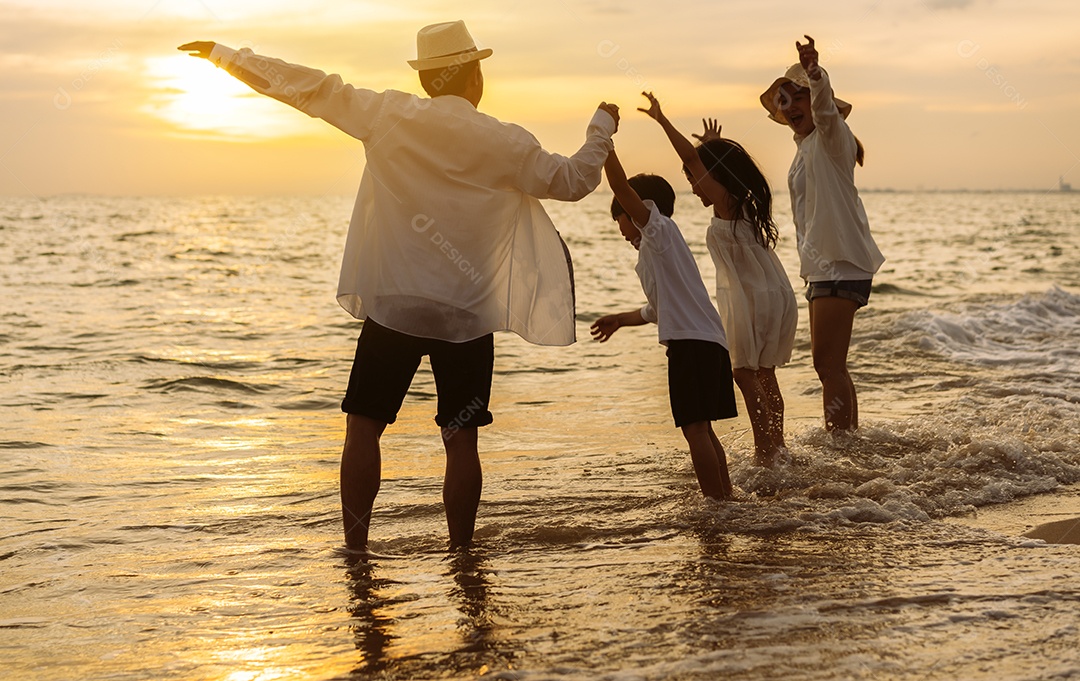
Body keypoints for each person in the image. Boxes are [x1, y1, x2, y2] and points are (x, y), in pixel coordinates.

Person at [178, 21, 620, 552]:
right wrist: (601, 127)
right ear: (474, 77)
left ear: (429, 80)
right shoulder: (505, 141)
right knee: (461, 439)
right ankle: (460, 553)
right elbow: (574, 181)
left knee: (364, 426)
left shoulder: (388, 115)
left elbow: (309, 89)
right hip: (466, 315)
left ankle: (357, 551)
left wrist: (228, 56)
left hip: (397, 310)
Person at [638, 92, 798, 466]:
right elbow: (705, 163)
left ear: (715, 176)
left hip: (749, 298)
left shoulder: (728, 207)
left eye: (694, 178)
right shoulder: (742, 204)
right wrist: (711, 146)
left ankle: (766, 453)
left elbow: (692, 159)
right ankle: (778, 448)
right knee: (765, 374)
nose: (694, 187)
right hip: (774, 293)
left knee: (744, 373)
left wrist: (664, 121)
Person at [590, 148, 737, 500]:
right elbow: (656, 310)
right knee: (705, 429)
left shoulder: (658, 230)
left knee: (695, 430)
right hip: (709, 342)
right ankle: (726, 499)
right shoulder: (660, 249)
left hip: (691, 345)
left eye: (621, 220)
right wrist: (621, 321)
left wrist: (607, 146)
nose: (622, 230)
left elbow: (621, 186)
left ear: (638, 211)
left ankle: (715, 506)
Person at [760, 35, 885, 432]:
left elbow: (828, 111)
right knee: (829, 365)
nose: (791, 107)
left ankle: (841, 442)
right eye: (785, 101)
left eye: (798, 97)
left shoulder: (833, 139)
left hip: (841, 261)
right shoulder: (805, 148)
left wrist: (814, 72)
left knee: (827, 364)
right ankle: (847, 439)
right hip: (820, 266)